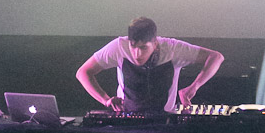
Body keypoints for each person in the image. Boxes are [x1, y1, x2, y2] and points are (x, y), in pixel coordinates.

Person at [76, 17, 224, 113]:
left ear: (155, 44)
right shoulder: (119, 46)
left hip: (165, 121)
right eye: (133, 46)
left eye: (143, 48)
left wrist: (193, 87)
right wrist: (105, 100)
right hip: (126, 120)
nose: (137, 54)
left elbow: (216, 57)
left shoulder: (173, 49)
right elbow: (83, 72)